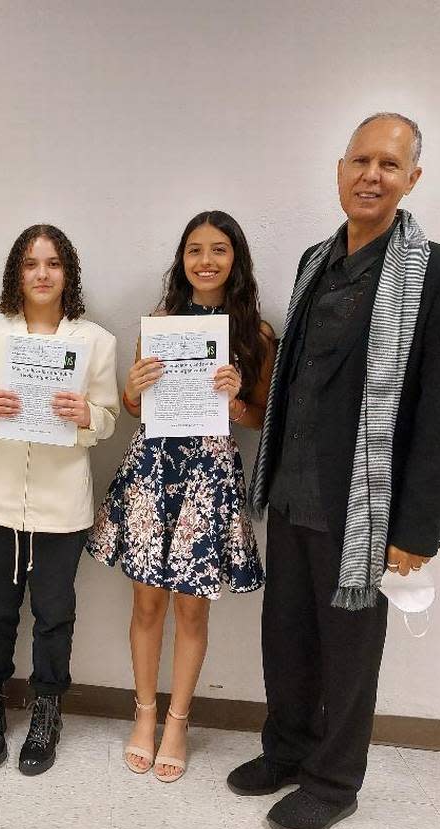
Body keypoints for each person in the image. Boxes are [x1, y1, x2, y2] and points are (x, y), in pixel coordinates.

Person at [227, 113, 440, 829]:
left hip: (367, 504)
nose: (372, 175)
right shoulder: (315, 258)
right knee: (287, 636)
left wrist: (416, 530)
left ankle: (335, 781)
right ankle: (287, 749)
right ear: (340, 170)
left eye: (389, 165)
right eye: (361, 160)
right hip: (294, 487)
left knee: (349, 650)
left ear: (412, 180)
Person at [88, 211, 274, 783]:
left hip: (209, 479)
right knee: (147, 603)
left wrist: (238, 396)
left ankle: (178, 721)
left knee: (193, 608)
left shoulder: (257, 334)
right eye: (195, 250)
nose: (206, 261)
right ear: (182, 260)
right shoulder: (162, 322)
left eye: (219, 250)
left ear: (235, 260)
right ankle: (143, 714)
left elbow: (261, 419)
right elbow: (136, 409)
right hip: (153, 471)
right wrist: (134, 387)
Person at [0, 224, 119, 776]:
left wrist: (86, 417)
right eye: (30, 264)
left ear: (67, 273)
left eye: (52, 264)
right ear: (16, 274)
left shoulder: (95, 340)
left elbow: (109, 419)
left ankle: (48, 707)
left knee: (54, 614)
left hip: (61, 504)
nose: (42, 274)